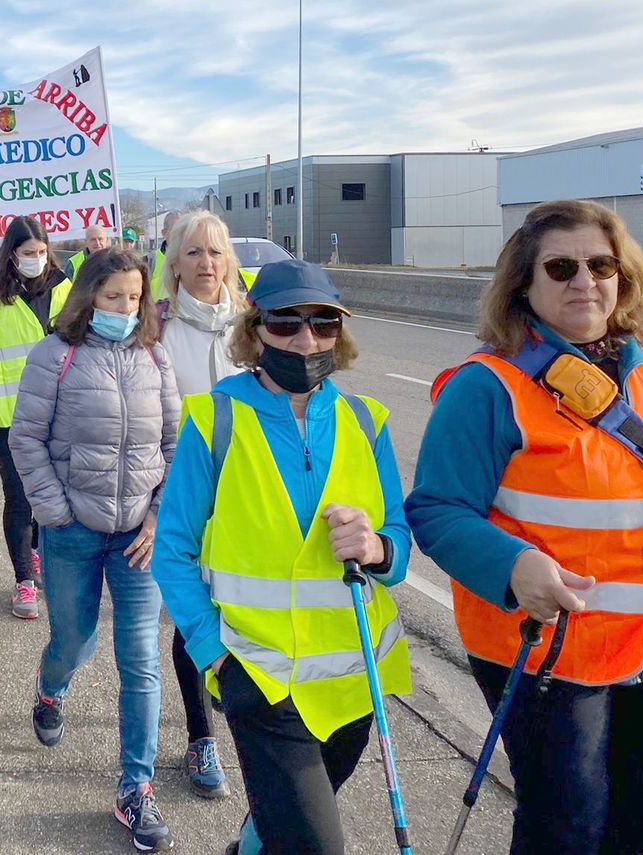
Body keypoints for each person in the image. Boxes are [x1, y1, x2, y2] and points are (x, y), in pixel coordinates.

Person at [405, 199, 643, 854]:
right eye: (560, 267)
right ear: (524, 285)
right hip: (548, 651)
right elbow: (436, 508)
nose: (584, 280)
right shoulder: (488, 386)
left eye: (601, 264)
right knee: (565, 825)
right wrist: (512, 566)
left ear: (623, 276)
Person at [153, 259, 412, 855]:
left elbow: (398, 544)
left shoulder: (365, 422)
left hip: (351, 682)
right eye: (285, 322)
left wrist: (377, 547)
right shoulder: (217, 419)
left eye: (324, 323)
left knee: (281, 826)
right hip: (259, 678)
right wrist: (213, 653)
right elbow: (173, 551)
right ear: (255, 330)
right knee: (315, 846)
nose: (306, 338)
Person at [9, 247, 180, 853]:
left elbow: (174, 444)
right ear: (88, 298)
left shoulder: (154, 358)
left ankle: (135, 789)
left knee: (140, 661)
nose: (126, 309)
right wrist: (54, 511)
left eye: (135, 298)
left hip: (137, 538)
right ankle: (51, 687)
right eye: (113, 298)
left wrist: (158, 518)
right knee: (73, 640)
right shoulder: (55, 357)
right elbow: (25, 439)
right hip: (73, 530)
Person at [154, 210, 246, 799]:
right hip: (181, 490)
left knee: (237, 606)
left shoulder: (256, 325)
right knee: (191, 612)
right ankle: (199, 736)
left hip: (246, 495)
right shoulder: (156, 329)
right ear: (175, 264)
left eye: (215, 253)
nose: (206, 264)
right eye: (193, 253)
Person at [0, 216, 73, 620]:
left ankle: (34, 552)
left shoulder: (63, 288)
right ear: (12, 255)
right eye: (28, 254)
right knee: (19, 497)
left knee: (48, 494)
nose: (36, 260)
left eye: (41, 253)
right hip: (6, 413)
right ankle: (23, 577)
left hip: (57, 411)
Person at [148, 211, 180, 301]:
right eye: (175, 230)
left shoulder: (193, 260)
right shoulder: (150, 260)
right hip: (156, 313)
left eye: (184, 230)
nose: (180, 235)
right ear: (164, 233)